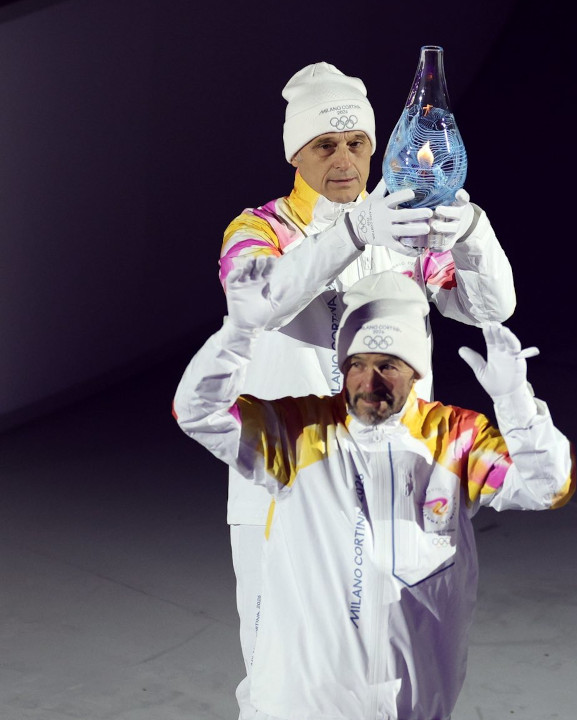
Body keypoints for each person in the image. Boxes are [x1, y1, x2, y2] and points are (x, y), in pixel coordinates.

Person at [217, 62, 517, 714]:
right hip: (286, 496)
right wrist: (357, 233)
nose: (344, 159)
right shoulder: (259, 231)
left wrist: (469, 232)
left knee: (398, 677)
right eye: (326, 144)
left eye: (357, 142)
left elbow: (489, 306)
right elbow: (263, 300)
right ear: (296, 151)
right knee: (282, 685)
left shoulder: (404, 233)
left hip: (394, 491)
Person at [175, 264, 574, 720]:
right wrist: (238, 332)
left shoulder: (454, 440)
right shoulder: (299, 433)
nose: (370, 382)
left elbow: (549, 486)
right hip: (301, 708)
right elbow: (197, 412)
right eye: (357, 364)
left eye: (387, 364)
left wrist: (516, 403)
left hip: (410, 709)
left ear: (415, 372)